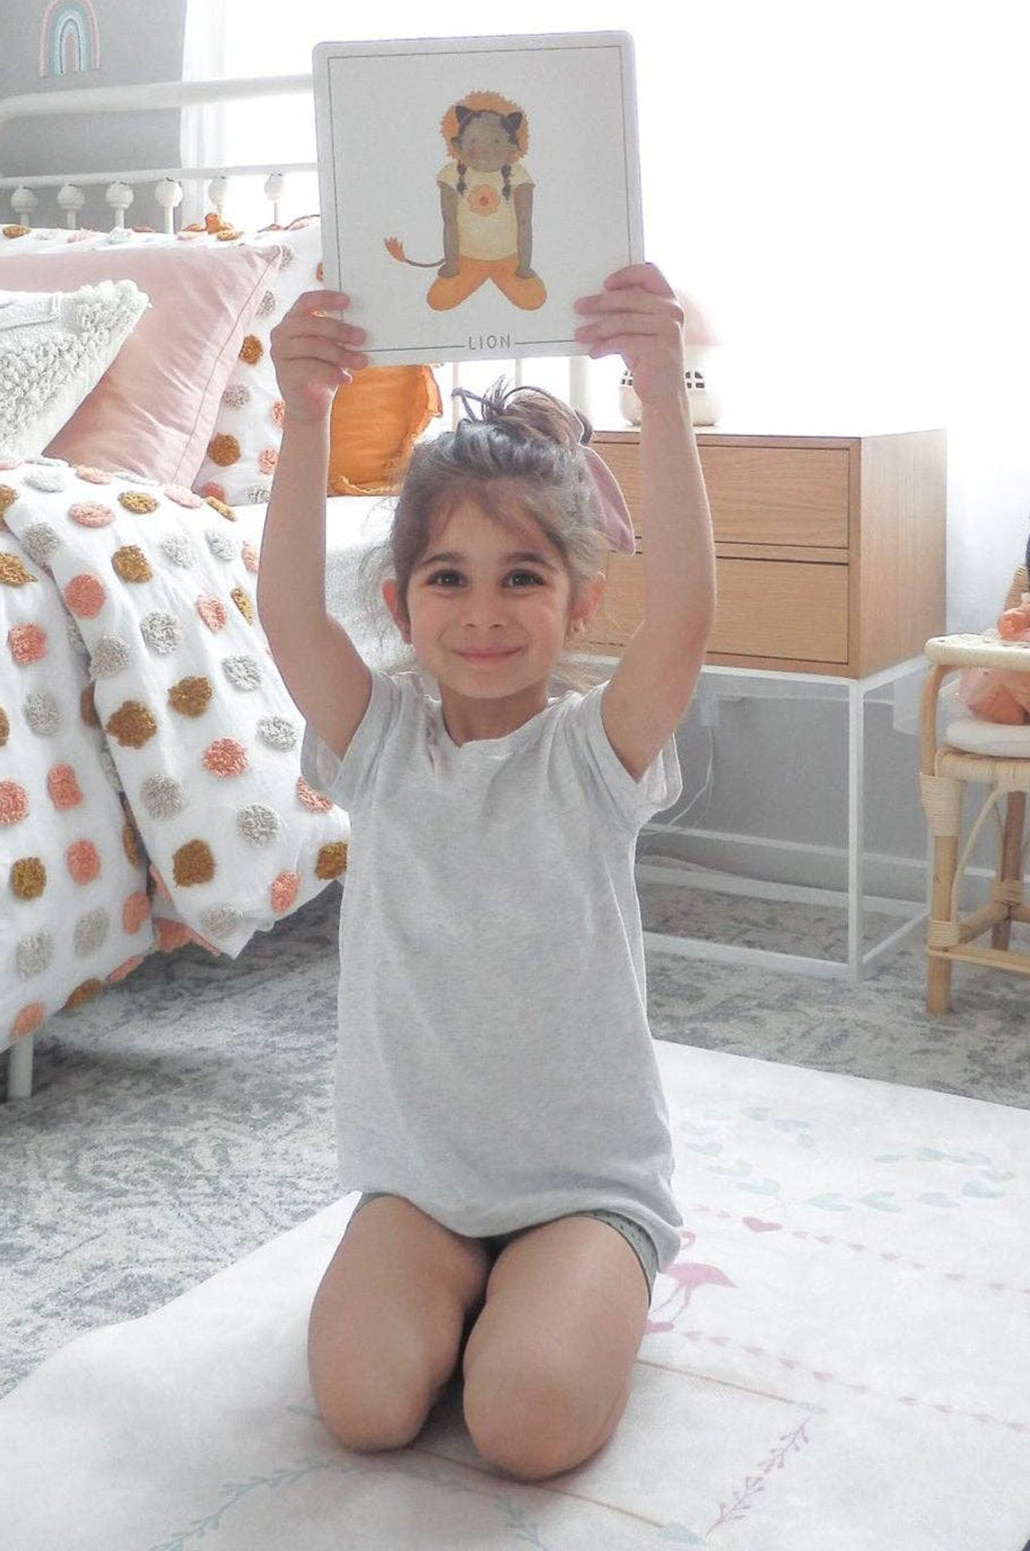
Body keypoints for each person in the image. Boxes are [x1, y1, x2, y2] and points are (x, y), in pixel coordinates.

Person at [258, 261, 716, 1484]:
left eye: (523, 578)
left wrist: (659, 393)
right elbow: (290, 618)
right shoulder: (380, 745)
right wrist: (302, 417)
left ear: (578, 601)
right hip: (419, 1183)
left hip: (580, 1184)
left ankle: (564, 1292)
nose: (483, 612)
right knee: (361, 1410)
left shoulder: (592, 756)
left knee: (525, 1429)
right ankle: (466, 1292)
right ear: (402, 604)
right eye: (447, 579)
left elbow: (683, 615)